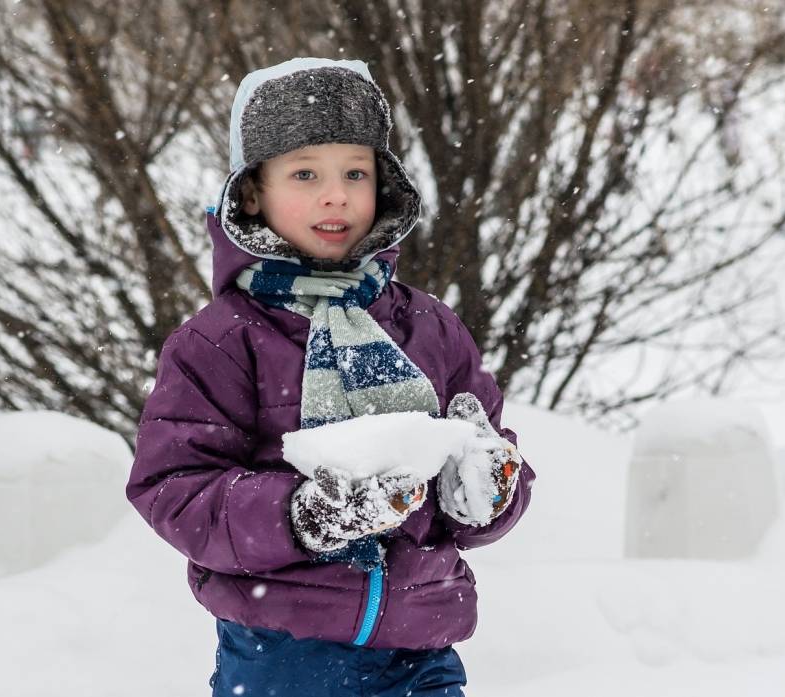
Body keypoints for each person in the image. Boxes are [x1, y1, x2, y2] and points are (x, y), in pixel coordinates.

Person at [125, 57, 535, 696]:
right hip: (282, 650)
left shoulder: (429, 328)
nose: (335, 194)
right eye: (305, 173)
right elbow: (174, 487)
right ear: (252, 194)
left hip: (422, 645)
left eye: (355, 172)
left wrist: (488, 491)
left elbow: (490, 470)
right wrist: (301, 515)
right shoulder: (222, 340)